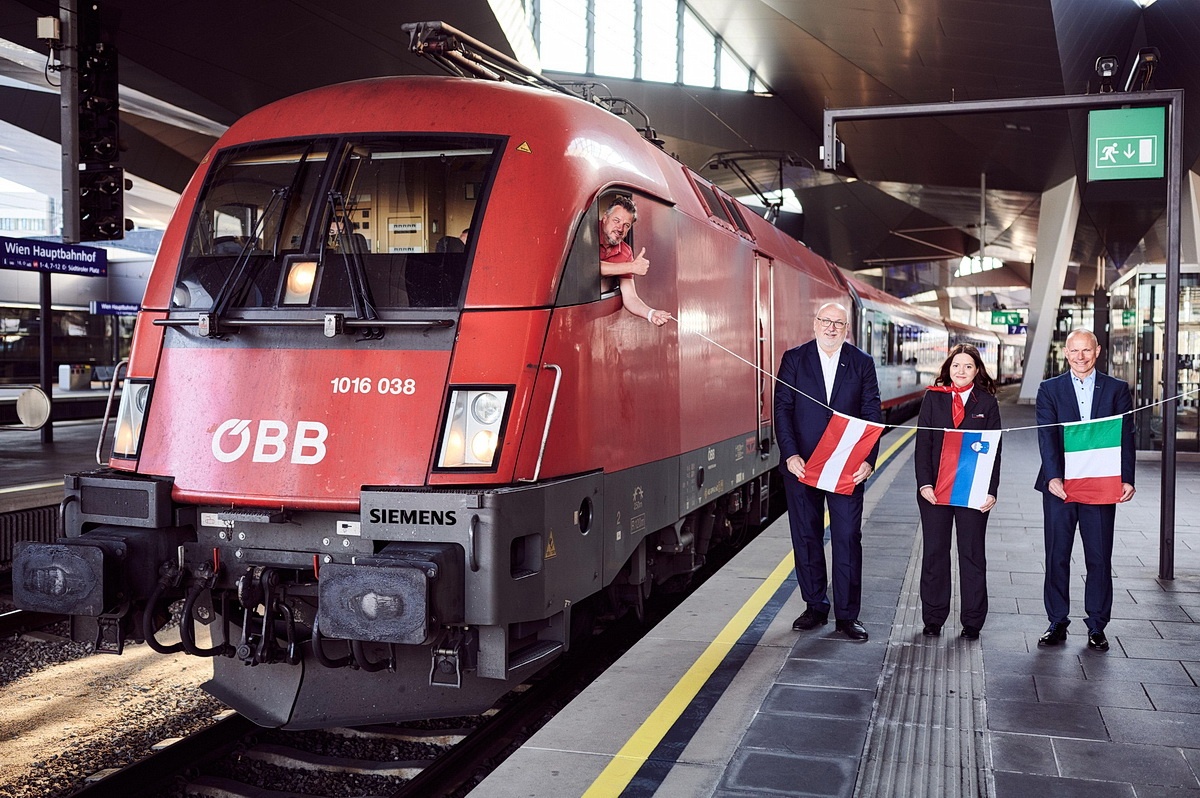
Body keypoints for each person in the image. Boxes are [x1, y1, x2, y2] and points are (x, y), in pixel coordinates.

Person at [774, 302, 882, 641]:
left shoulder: (862, 363)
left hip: (846, 467)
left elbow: (872, 411)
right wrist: (790, 454)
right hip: (803, 465)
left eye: (838, 323)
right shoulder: (794, 359)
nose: (831, 327)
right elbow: (782, 408)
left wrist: (868, 460)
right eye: (826, 321)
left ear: (847, 329)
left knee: (847, 537)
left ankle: (848, 616)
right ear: (815, 324)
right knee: (806, 536)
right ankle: (815, 606)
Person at [1034, 327, 1135, 652]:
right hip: (1060, 486)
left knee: (1099, 557)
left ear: (1098, 351)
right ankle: (1057, 621)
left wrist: (1127, 478)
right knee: (1057, 555)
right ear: (1066, 353)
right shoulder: (1049, 389)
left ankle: (1097, 626)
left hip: (1101, 484)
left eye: (1086, 350)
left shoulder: (1117, 389)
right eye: (1074, 350)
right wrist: (1053, 477)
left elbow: (1126, 435)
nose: (1080, 356)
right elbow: (1046, 435)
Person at [915, 344, 1002, 640]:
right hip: (935, 491)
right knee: (935, 552)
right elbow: (923, 445)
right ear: (948, 369)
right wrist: (924, 484)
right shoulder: (933, 398)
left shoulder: (987, 403)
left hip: (973, 489)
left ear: (977, 371)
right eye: (955, 365)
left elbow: (995, 450)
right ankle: (933, 618)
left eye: (967, 366)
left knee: (972, 553)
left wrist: (991, 491)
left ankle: (972, 621)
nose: (961, 371)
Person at [598, 196, 669, 326]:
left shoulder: (625, 252)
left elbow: (630, 297)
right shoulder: (585, 232)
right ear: (605, 218)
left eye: (626, 225)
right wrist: (631, 267)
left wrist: (651, 314)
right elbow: (586, 267)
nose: (620, 229)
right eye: (616, 220)